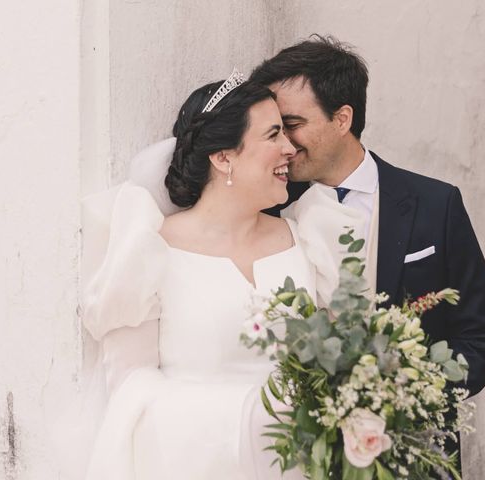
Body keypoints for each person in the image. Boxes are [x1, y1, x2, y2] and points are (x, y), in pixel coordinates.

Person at [78, 74, 356, 480]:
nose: (289, 148)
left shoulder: (311, 238)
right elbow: (130, 390)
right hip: (196, 465)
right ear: (224, 157)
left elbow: (344, 359)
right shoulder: (151, 249)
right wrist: (247, 419)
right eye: (273, 134)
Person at [250, 36, 485, 401]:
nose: (284, 144)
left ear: (342, 119)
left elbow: (484, 337)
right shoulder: (268, 208)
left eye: (292, 124)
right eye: (275, 129)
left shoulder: (436, 204)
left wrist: (407, 400)